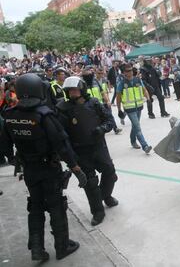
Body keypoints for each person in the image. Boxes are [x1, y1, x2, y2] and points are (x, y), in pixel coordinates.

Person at [1, 74, 87, 261]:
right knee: (56, 206)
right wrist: (76, 168)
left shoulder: (9, 115)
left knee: (36, 206)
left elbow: (5, 144)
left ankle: (37, 249)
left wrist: (16, 161)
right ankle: (62, 246)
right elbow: (62, 145)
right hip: (49, 168)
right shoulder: (44, 115)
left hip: (29, 169)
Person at [57, 76, 119, 226]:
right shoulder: (62, 109)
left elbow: (109, 121)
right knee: (90, 183)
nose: (73, 92)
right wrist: (70, 157)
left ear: (82, 89)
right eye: (70, 90)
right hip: (80, 151)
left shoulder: (94, 103)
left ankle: (106, 195)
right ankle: (97, 211)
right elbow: (62, 135)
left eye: (76, 89)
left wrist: (102, 129)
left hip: (98, 146)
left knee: (110, 172)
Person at [116, 64, 152, 153]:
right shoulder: (121, 83)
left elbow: (144, 90)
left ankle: (133, 141)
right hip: (129, 109)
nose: (130, 72)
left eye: (131, 70)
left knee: (135, 125)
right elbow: (118, 97)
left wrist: (148, 99)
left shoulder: (138, 80)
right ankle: (145, 146)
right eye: (128, 71)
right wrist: (119, 109)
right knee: (138, 127)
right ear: (124, 73)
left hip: (139, 107)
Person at [82, 67, 122, 135]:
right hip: (91, 106)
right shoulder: (82, 84)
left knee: (109, 115)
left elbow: (103, 92)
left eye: (102, 73)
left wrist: (108, 101)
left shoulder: (97, 81)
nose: (101, 74)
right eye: (99, 73)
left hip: (101, 103)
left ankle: (115, 128)